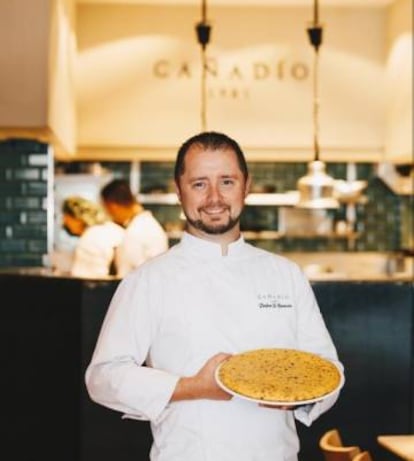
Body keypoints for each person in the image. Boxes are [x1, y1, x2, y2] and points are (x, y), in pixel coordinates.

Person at [85, 132, 344, 461]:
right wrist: (191, 386)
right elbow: (103, 376)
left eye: (226, 181)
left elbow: (327, 370)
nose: (214, 198)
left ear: (245, 186)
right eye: (199, 184)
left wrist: (298, 396)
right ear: (179, 192)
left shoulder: (286, 275)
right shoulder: (148, 280)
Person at [100, 178, 169, 277]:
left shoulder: (138, 231)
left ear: (113, 206)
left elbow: (138, 276)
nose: (109, 215)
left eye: (107, 209)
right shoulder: (145, 225)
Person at [61, 196, 125, 278]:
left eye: (66, 217)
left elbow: (84, 277)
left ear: (76, 217)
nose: (64, 222)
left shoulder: (91, 237)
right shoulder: (113, 229)